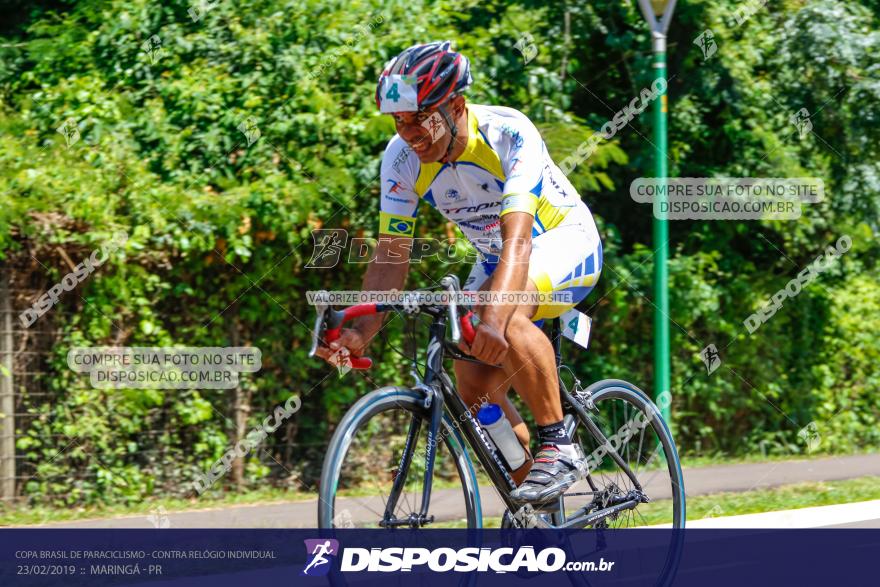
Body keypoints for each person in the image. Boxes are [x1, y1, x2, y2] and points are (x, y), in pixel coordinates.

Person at [315, 41, 603, 504]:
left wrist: (493, 317)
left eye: (419, 117)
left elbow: (519, 240)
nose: (409, 132)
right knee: (473, 387)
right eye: (398, 120)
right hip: (496, 260)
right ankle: (534, 497)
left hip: (561, 240)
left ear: (456, 104)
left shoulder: (510, 133)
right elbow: (391, 254)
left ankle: (560, 443)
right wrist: (361, 327)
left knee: (502, 314)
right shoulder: (401, 159)